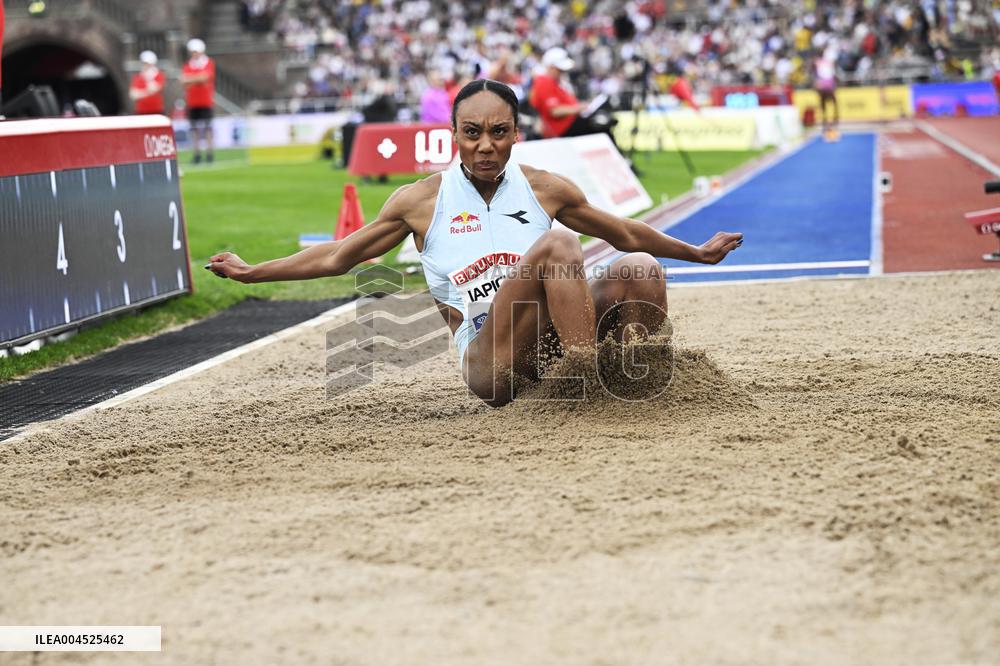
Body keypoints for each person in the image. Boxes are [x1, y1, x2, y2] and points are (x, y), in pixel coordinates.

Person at [206, 79, 743, 407]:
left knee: (640, 266)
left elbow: (624, 233)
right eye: (472, 133)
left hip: (553, 340)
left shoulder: (545, 188)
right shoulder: (420, 201)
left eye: (498, 132)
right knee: (558, 246)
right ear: (454, 135)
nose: (485, 146)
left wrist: (694, 252)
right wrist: (254, 271)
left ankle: (634, 382)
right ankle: (583, 388)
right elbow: (337, 254)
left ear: (516, 134)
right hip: (493, 363)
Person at [181, 38, 216, 164]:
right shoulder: (188, 65)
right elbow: (185, 81)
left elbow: (205, 77)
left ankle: (209, 153)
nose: (194, 54)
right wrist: (197, 79)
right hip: (192, 102)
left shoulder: (208, 63)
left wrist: (191, 79)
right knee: (194, 129)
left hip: (206, 102)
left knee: (207, 128)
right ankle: (196, 154)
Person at [129, 51, 166, 115]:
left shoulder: (159, 75)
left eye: (147, 63)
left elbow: (154, 89)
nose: (145, 65)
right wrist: (147, 92)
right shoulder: (138, 76)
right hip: (141, 111)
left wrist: (141, 93)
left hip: (156, 110)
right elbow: (133, 95)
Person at [813, 49, 839, 134]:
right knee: (833, 103)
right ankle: (832, 121)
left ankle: (827, 122)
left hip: (824, 83)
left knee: (824, 104)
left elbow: (817, 74)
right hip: (828, 83)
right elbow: (832, 74)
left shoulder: (819, 62)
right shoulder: (827, 62)